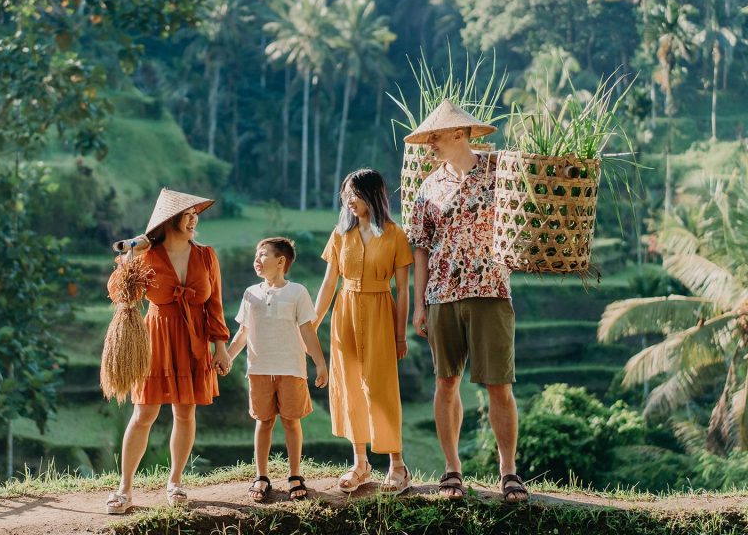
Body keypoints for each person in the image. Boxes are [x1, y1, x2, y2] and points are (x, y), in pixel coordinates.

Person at [405, 100, 528, 503]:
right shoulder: (428, 186)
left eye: (435, 137)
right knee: (445, 383)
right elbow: (421, 246)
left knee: (499, 385)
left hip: (490, 290)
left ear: (459, 133)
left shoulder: (500, 172)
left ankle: (508, 471)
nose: (430, 146)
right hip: (442, 294)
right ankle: (452, 469)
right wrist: (419, 304)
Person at [104, 189, 232, 513]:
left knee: (185, 411)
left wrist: (221, 347)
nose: (194, 219)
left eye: (195, 214)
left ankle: (175, 481)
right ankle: (124, 488)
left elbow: (215, 306)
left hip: (194, 340)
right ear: (169, 220)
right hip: (156, 338)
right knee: (144, 412)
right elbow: (119, 291)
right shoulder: (147, 256)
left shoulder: (206, 256)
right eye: (187, 214)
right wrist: (131, 251)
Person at [313, 169, 413, 494]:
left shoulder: (395, 235)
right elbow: (329, 283)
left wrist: (400, 335)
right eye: (346, 195)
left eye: (354, 194)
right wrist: (312, 323)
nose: (348, 201)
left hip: (381, 309)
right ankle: (360, 463)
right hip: (345, 310)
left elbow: (403, 290)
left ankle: (397, 466)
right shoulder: (341, 234)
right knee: (350, 386)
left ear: (372, 194)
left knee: (381, 388)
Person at [225, 237, 328, 502]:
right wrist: (227, 357)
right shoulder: (251, 293)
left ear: (281, 261)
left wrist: (320, 362)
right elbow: (243, 332)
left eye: (263, 255)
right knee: (264, 421)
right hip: (258, 368)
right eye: (256, 256)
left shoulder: (297, 292)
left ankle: (295, 475)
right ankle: (261, 476)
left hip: (291, 368)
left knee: (292, 421)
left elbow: (307, 329)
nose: (256, 260)